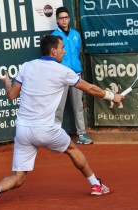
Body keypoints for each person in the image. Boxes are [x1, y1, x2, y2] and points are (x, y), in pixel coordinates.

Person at [0, 35, 123, 210]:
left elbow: (12, 95)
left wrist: (7, 82)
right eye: (62, 47)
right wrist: (112, 96)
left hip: (23, 131)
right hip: (45, 129)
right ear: (53, 51)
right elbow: (90, 88)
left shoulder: (26, 66)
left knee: (18, 178)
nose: (64, 50)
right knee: (72, 149)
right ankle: (96, 185)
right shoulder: (63, 71)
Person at [52, 7, 92, 144]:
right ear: (57, 20)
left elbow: (78, 50)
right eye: (61, 18)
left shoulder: (76, 34)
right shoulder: (54, 36)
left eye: (66, 17)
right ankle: (56, 136)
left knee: (78, 106)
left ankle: (81, 135)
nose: (64, 20)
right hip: (61, 76)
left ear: (69, 19)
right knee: (59, 107)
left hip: (75, 75)